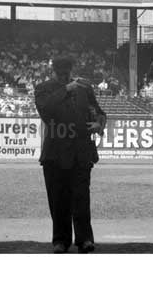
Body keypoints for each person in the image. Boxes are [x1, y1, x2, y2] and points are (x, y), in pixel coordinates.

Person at [34, 57, 106, 253]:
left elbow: (100, 113)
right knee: (58, 199)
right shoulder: (43, 88)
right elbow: (45, 110)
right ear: (54, 70)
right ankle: (60, 240)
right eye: (60, 70)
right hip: (55, 152)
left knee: (81, 198)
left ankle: (84, 239)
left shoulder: (84, 88)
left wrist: (99, 124)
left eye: (66, 69)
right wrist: (66, 89)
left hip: (81, 150)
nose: (63, 73)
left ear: (71, 68)